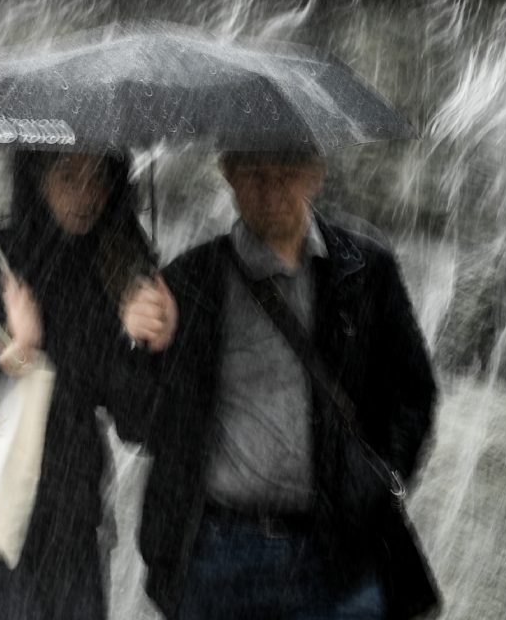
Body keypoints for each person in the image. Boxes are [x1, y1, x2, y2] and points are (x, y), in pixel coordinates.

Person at [139, 150, 440, 619]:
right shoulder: (188, 282)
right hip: (216, 550)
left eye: (286, 173)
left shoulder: (364, 273)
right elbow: (144, 422)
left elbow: (413, 392)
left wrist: (384, 479)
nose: (271, 189)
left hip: (337, 549)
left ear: (315, 175)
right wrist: (146, 345)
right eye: (255, 173)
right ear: (229, 174)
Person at [0, 150, 177, 620]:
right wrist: (16, 349)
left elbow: (139, 425)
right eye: (68, 177)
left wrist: (148, 342)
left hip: (72, 526)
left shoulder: (115, 272)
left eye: (98, 178)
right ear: (36, 180)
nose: (86, 195)